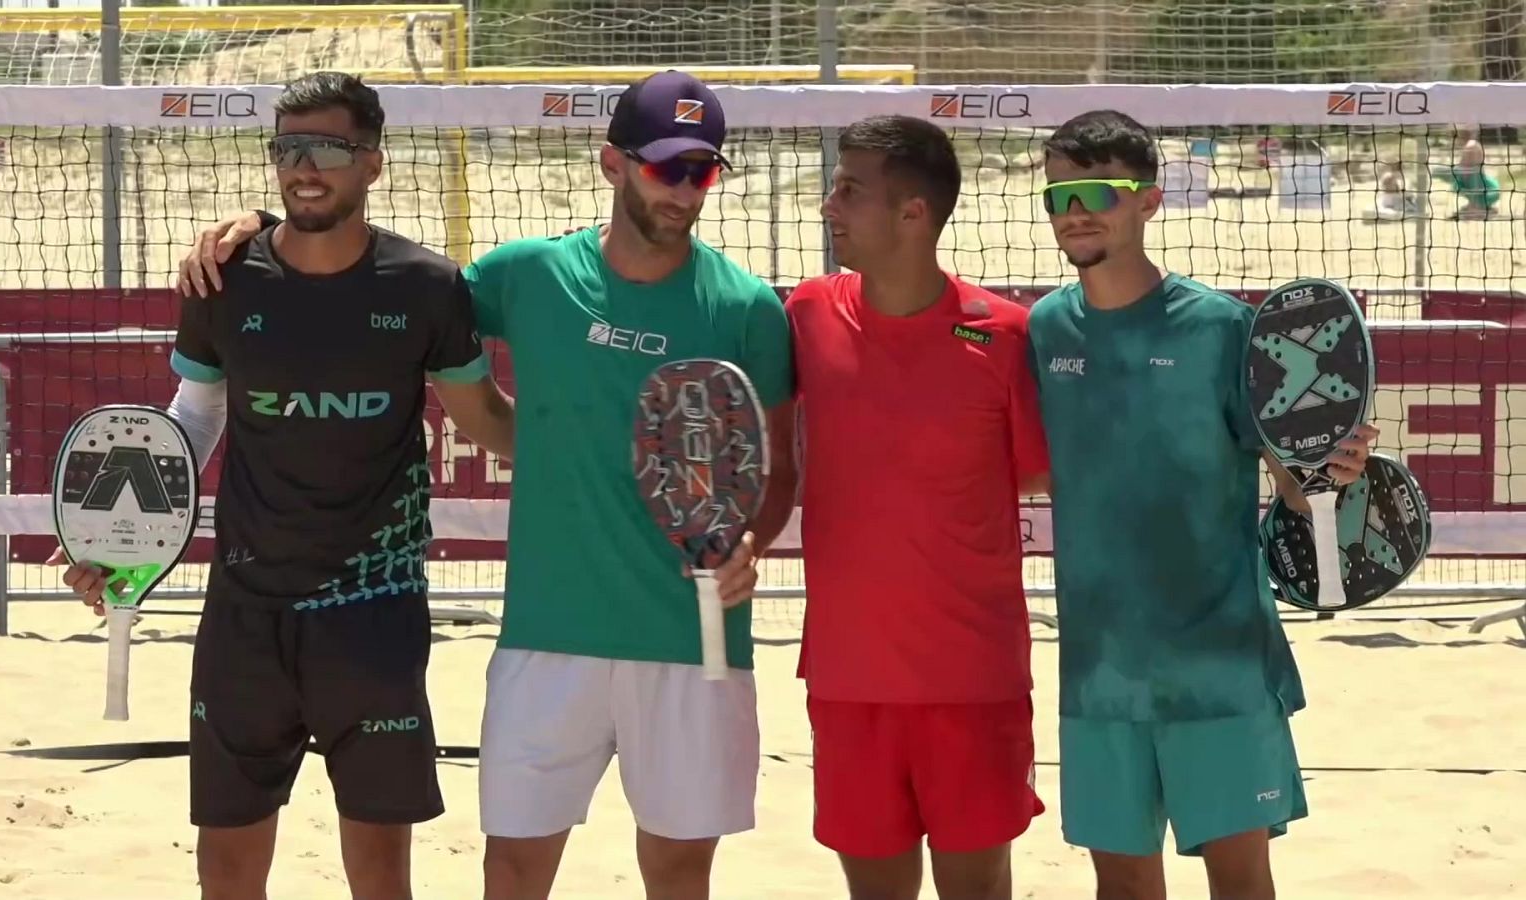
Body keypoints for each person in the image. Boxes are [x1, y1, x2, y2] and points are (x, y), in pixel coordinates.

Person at [174, 70, 797, 900]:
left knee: (681, 872)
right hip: (546, 636)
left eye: (702, 170)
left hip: (690, 636)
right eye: (665, 166)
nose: (684, 188)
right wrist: (261, 224)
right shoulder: (526, 276)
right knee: (510, 869)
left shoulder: (748, 307)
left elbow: (777, 462)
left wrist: (752, 540)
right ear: (615, 164)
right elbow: (354, 270)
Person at [58, 71, 517, 900]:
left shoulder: (428, 287)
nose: (305, 167)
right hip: (245, 616)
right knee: (227, 878)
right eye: (287, 148)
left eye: (329, 149)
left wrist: (590, 460)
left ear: (373, 163)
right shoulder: (223, 281)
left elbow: (485, 417)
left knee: (381, 879)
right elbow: (192, 422)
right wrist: (111, 540)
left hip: (372, 615)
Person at [1027, 108, 1379, 900]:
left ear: (1148, 202)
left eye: (1095, 193)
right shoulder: (1046, 330)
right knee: (1120, 886)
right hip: (1099, 669)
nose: (1074, 212)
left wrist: (1331, 467)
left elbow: (1295, 481)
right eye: (1058, 196)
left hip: (1218, 664)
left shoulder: (1222, 329)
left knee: (1241, 882)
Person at [784, 114, 1049, 900]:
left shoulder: (1005, 335)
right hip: (847, 678)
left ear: (913, 214)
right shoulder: (806, 313)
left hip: (971, 680)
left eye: (849, 189)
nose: (830, 204)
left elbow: (1047, 474)